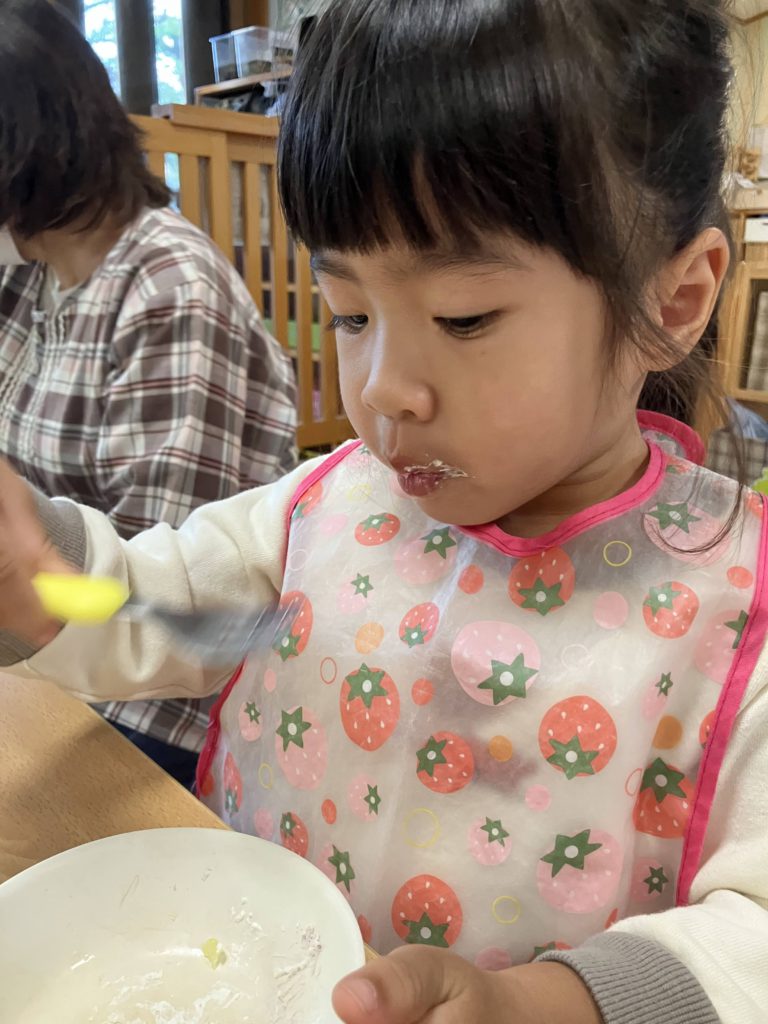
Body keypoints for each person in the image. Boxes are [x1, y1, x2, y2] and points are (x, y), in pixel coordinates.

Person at [0, 1, 765, 1021]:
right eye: (350, 313)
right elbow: (158, 606)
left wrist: (536, 1005)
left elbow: (753, 934)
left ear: (672, 303)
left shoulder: (736, 611)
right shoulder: (328, 507)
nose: (382, 388)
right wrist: (39, 575)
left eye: (463, 317)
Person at [0, 0, 297, 786]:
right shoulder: (27, 280)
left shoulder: (169, 290)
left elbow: (155, 603)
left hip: (154, 698)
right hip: (50, 650)